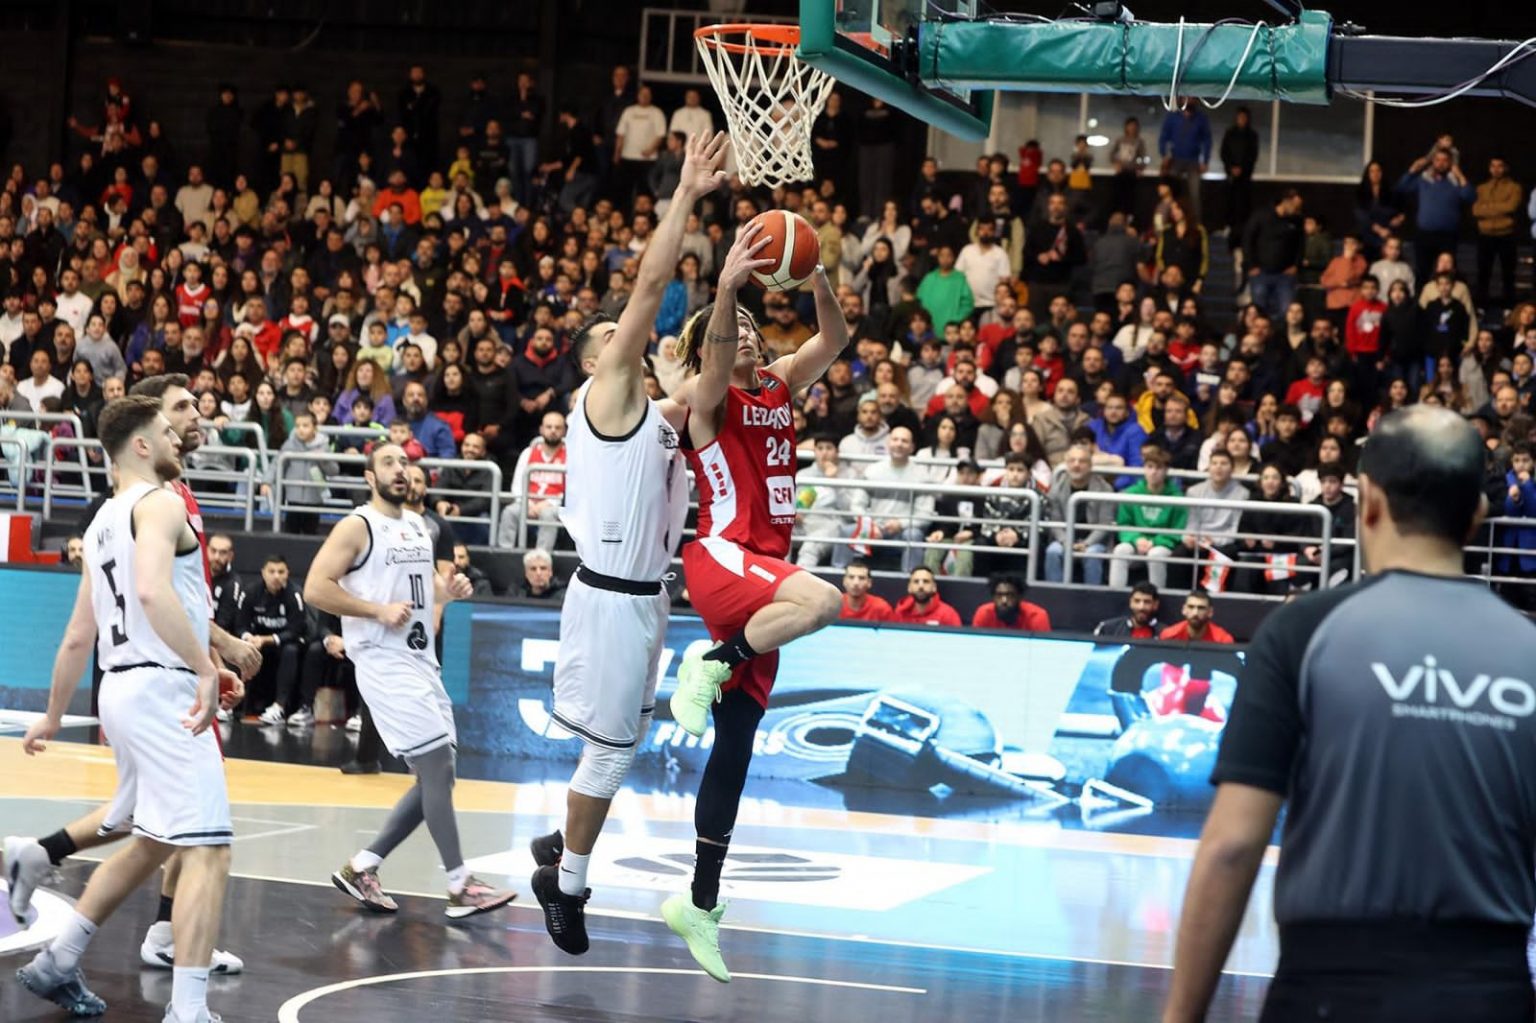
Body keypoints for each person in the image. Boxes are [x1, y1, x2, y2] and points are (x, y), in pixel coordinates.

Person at [1165, 406, 1536, 1023]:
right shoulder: (1527, 651)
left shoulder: (1301, 632)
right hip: (1490, 992)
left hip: (1329, 989)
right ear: (1477, 514)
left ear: (1368, 501)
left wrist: (1181, 1016)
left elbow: (1232, 846)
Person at [522, 132, 726, 958]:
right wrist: (686, 196)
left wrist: (729, 293)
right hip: (610, 594)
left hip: (647, 596)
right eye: (616, 335)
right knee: (608, 757)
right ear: (595, 359)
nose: (632, 335)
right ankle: (565, 883)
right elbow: (648, 286)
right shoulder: (606, 395)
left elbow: (706, 390)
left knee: (617, 746)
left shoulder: (653, 410)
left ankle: (558, 841)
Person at [5, 375, 258, 979]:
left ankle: (58, 945)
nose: (186, 422)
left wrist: (54, 714)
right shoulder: (161, 501)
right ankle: (186, 1001)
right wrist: (207, 664)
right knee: (206, 842)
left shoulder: (103, 519)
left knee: (150, 833)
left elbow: (80, 633)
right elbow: (153, 591)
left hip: (121, 685)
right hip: (164, 684)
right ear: (143, 441)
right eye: (174, 416)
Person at [660, 216, 848, 981]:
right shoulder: (705, 400)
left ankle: (699, 903)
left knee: (734, 746)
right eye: (727, 327)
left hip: (764, 576)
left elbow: (834, 338)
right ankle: (711, 660)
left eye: (747, 324)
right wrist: (726, 285)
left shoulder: (779, 383)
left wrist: (815, 272)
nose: (742, 331)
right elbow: (706, 371)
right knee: (827, 601)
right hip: (721, 553)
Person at [306, 442, 514, 920]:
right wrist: (375, 611)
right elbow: (316, 587)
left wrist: (449, 591)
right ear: (369, 477)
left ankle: (363, 866)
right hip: (383, 661)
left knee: (440, 775)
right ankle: (460, 884)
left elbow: (425, 588)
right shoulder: (357, 526)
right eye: (388, 463)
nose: (400, 469)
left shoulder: (419, 525)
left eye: (404, 462)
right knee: (436, 768)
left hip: (421, 659)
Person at [971, 573, 1050, 632]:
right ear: (993, 597)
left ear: (1020, 597)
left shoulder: (1036, 616)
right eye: (999, 595)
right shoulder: (984, 613)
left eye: (1010, 595)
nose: (1004, 600)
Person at [889, 565, 962, 626]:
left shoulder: (948, 615)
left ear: (934, 587)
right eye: (916, 582)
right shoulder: (900, 613)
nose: (921, 586)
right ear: (909, 588)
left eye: (926, 581)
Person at [1157, 589, 1234, 644]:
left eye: (1201, 608)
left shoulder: (1222, 640)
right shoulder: (1169, 636)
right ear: (1184, 610)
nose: (1195, 613)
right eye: (1191, 607)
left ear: (1210, 612)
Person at [1093, 581, 1161, 638]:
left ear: (1155, 604)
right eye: (1137, 601)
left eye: (1147, 602)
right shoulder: (1108, 628)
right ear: (1130, 602)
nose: (1141, 607)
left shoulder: (1163, 633)